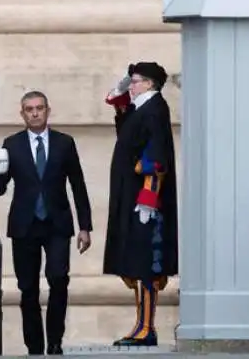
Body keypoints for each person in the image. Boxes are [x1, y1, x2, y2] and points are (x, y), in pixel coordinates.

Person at [0, 91, 93, 355]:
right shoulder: (11, 144)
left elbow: (78, 185)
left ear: (48, 110)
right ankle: (34, 346)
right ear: (22, 113)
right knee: (28, 289)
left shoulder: (64, 143)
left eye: (39, 108)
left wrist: (85, 226)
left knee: (59, 280)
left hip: (57, 223)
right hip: (25, 225)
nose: (35, 113)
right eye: (29, 109)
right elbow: (0, 185)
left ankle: (55, 342)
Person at [103, 62, 178, 347]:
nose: (130, 85)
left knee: (146, 264)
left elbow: (156, 157)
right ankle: (140, 324)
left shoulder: (156, 108)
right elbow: (121, 116)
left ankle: (147, 327)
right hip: (130, 196)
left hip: (144, 201)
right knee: (133, 262)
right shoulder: (139, 107)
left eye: (135, 81)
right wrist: (121, 90)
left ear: (149, 84)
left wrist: (148, 198)